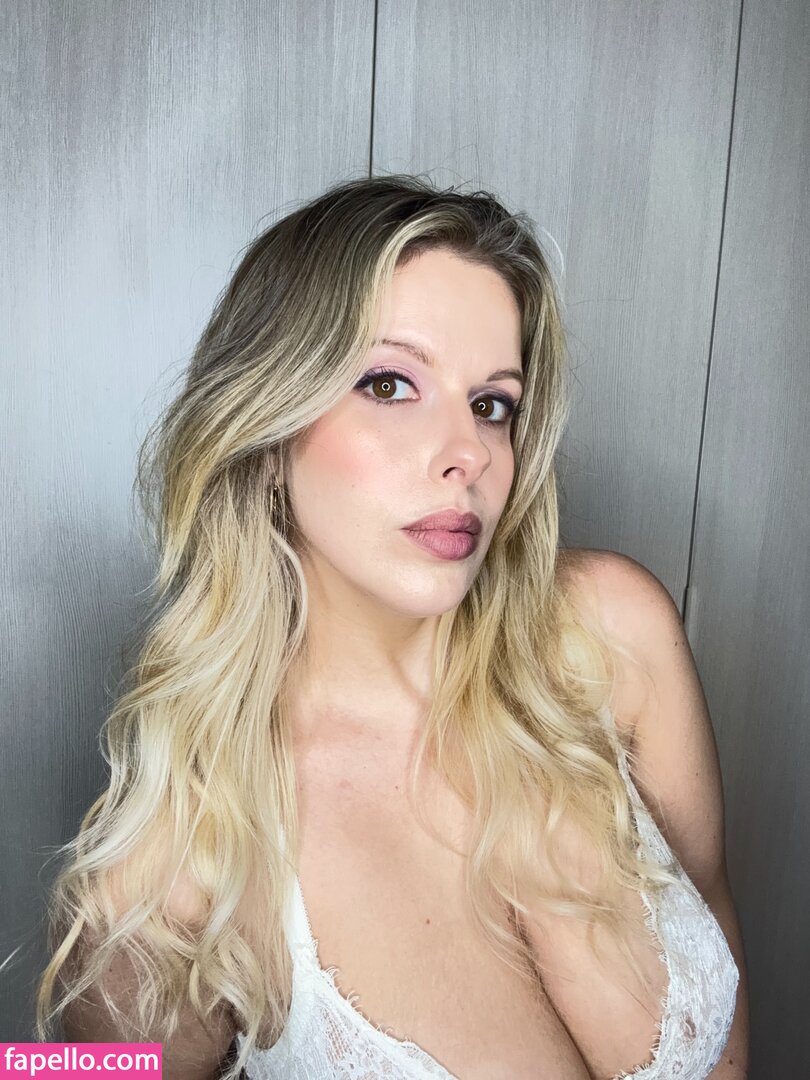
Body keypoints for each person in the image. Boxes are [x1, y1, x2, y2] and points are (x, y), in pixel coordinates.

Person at [35, 174, 749, 1079]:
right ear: (268, 428)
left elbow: (720, 952)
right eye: (389, 383)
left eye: (492, 404)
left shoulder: (614, 638)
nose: (468, 453)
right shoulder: (186, 856)